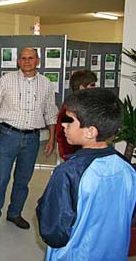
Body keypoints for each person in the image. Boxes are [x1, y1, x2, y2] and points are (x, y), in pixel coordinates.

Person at [36, 88, 136, 260]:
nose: (63, 124)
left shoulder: (68, 173)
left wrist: (43, 205)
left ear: (90, 131)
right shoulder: (127, 168)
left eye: (70, 121)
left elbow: (54, 232)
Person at [0, 47, 58, 230]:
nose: (27, 61)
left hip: (32, 139)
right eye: (23, 58)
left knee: (23, 179)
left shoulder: (46, 83)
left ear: (37, 61)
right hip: (8, 135)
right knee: (1, 177)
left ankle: (15, 213)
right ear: (18, 61)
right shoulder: (6, 80)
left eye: (31, 58)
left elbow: (51, 112)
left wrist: (52, 138)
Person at [56, 70, 97, 161]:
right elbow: (61, 132)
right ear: (82, 87)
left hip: (86, 152)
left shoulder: (89, 103)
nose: (95, 87)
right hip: (75, 154)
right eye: (92, 85)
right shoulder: (70, 106)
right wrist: (68, 155)